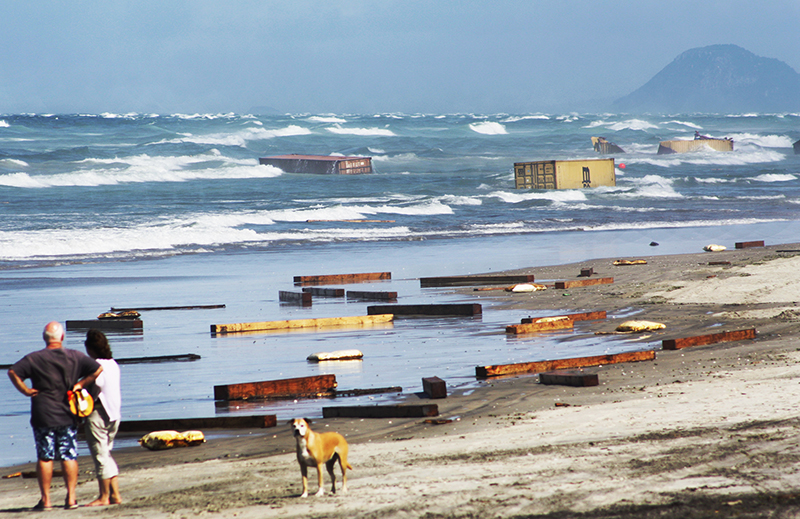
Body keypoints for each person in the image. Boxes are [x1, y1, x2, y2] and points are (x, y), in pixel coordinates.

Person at [7, 321, 102, 511]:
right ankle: (71, 498)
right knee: (68, 455)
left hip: (43, 413)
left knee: (45, 457)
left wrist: (25, 390)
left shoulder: (34, 358)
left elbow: (13, 372)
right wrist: (81, 384)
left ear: (44, 338)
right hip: (67, 412)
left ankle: (47, 500)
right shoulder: (75, 356)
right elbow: (97, 369)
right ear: (63, 337)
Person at [83, 329, 122, 506]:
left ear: (89, 348)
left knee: (100, 456)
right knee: (106, 454)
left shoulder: (95, 364)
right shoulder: (113, 363)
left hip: (99, 412)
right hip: (114, 413)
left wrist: (84, 390)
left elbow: (98, 382)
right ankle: (115, 495)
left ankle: (104, 496)